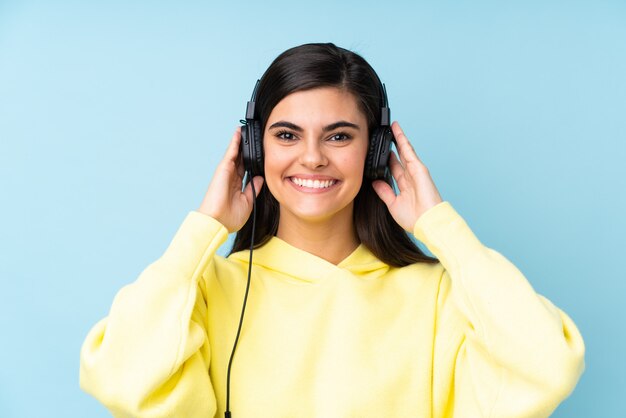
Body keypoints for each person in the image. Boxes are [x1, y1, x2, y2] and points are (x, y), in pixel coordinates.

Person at [79, 42, 585, 418]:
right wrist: (203, 230)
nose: (313, 156)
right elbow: (119, 376)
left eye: (339, 135)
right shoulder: (208, 289)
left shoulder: (436, 296)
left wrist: (443, 228)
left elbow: (548, 365)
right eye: (286, 135)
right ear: (256, 148)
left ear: (374, 149)